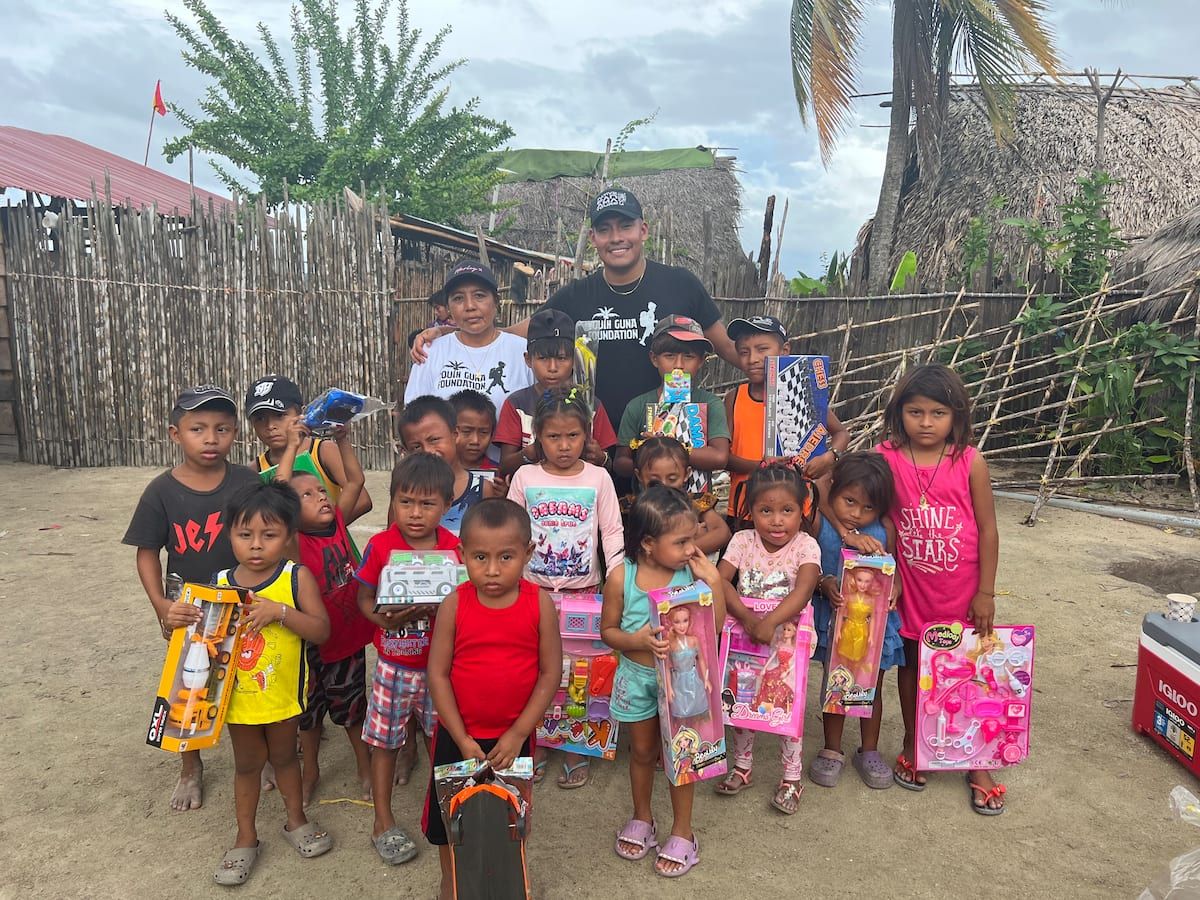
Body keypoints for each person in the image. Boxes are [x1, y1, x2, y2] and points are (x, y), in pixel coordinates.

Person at [412, 189, 740, 439]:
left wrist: (773, 371)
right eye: (605, 229)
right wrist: (445, 333)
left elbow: (726, 347)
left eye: (625, 226)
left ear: (644, 230)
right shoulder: (576, 295)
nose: (616, 238)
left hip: (661, 439)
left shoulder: (680, 284)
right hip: (591, 439)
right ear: (593, 238)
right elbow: (519, 331)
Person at [123, 384, 260, 813]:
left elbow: (271, 532)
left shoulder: (248, 481)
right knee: (190, 685)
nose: (210, 438)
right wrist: (162, 607)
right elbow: (148, 554)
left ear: (235, 433)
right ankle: (190, 765)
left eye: (222, 429)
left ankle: (265, 758)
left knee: (252, 678)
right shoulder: (161, 492)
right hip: (189, 608)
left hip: (245, 600)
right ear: (174, 434)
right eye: (197, 428)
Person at [875, 364, 1002, 813]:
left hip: (962, 593)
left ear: (956, 416)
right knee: (913, 668)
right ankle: (917, 742)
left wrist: (985, 591)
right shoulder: (885, 457)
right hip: (911, 591)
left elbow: (987, 529)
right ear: (899, 413)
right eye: (915, 412)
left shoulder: (969, 460)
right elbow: (869, 509)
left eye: (937, 413)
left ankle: (978, 759)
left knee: (968, 672)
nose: (926, 423)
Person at [424, 499, 562, 900]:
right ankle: (452, 888)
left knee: (509, 822)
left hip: (512, 743)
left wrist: (520, 732)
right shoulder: (455, 604)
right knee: (450, 825)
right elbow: (438, 674)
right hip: (457, 739)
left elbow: (550, 673)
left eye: (506, 557)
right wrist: (462, 738)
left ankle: (505, 887)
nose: (493, 569)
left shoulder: (539, 604)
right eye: (480, 557)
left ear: (528, 553)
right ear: (462, 553)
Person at [601, 485, 731, 878]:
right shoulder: (622, 578)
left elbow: (716, 626)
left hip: (683, 680)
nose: (693, 548)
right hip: (636, 676)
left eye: (694, 538)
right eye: (682, 541)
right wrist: (635, 640)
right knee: (641, 752)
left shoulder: (689, 574)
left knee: (682, 756)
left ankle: (683, 832)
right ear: (648, 543)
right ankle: (643, 817)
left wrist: (714, 584)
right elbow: (608, 631)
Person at [212, 481, 333, 886]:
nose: (256, 545)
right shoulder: (220, 583)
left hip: (283, 697)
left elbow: (320, 630)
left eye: (269, 535)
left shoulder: (295, 578)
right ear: (230, 534)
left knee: (284, 759)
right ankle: (246, 835)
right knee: (246, 765)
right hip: (237, 701)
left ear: (289, 537)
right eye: (245, 535)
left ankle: (295, 820)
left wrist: (281, 611)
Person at [507, 388, 624, 789]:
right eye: (553, 437)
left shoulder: (599, 478)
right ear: (537, 436)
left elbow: (611, 532)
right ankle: (534, 742)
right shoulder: (525, 477)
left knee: (580, 674)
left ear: (586, 434)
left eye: (573, 436)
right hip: (533, 593)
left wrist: (617, 581)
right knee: (534, 671)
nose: (563, 445)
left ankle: (576, 744)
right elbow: (512, 533)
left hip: (584, 594)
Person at [354, 452, 462, 865]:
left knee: (445, 742)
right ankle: (382, 819)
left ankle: (446, 812)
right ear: (393, 500)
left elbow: (466, 603)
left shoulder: (456, 550)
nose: (415, 514)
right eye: (405, 502)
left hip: (442, 671)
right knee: (384, 744)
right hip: (394, 667)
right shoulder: (381, 545)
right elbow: (364, 597)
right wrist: (382, 618)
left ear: (447, 506)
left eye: (427, 504)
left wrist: (444, 610)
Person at [274, 418, 375, 806]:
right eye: (307, 495)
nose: (320, 497)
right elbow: (279, 497)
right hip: (311, 643)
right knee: (309, 715)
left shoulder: (337, 525)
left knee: (352, 710)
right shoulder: (293, 544)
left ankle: (364, 765)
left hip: (347, 639)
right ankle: (311, 769)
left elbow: (354, 483)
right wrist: (290, 450)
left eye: (320, 490)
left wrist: (344, 439)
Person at [713, 463, 821, 815]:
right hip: (745, 638)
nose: (777, 521)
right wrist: (747, 618)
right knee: (742, 703)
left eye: (787, 511)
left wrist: (770, 622)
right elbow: (721, 581)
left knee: (787, 710)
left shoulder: (806, 546)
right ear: (750, 510)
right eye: (766, 511)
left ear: (801, 509)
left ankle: (791, 778)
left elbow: (803, 590)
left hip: (789, 645)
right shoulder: (742, 540)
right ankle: (742, 767)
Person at [809, 451, 904, 791]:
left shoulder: (884, 529)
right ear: (833, 490)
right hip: (835, 622)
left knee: (872, 686)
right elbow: (812, 569)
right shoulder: (821, 524)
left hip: (874, 627)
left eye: (868, 508)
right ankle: (831, 749)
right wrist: (825, 584)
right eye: (849, 501)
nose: (857, 514)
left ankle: (870, 750)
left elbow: (896, 572)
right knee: (835, 682)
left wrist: (896, 590)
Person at [723, 316, 849, 528]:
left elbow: (841, 434)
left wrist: (830, 457)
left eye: (762, 349)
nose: (752, 358)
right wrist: (762, 466)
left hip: (794, 511)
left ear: (784, 351)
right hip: (744, 509)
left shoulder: (799, 394)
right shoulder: (734, 398)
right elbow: (724, 457)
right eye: (744, 352)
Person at [495, 307, 618, 478]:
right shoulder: (517, 404)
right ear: (528, 359)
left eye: (561, 358)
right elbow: (505, 466)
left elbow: (610, 465)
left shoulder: (590, 405)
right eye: (543, 358)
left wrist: (601, 457)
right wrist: (530, 453)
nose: (552, 368)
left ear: (574, 360)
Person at [404, 260, 533, 414]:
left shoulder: (523, 351)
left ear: (496, 301)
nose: (470, 306)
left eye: (479, 295)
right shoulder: (430, 352)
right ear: (449, 307)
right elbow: (414, 415)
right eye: (458, 298)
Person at [614, 315, 730, 482]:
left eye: (688, 356)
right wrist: (647, 452)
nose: (679, 365)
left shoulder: (711, 403)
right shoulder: (638, 405)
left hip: (696, 503)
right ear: (654, 359)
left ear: (701, 361)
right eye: (669, 356)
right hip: (650, 503)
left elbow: (719, 458)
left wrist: (673, 447)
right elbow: (620, 462)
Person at [245, 374, 373, 524]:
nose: (270, 426)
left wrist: (327, 531)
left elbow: (362, 500)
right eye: (259, 419)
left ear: (301, 413)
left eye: (280, 415)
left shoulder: (322, 451)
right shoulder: (254, 470)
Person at [398, 395, 504, 535]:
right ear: (406, 451)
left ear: (455, 435)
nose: (428, 451)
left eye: (434, 440)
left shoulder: (482, 490)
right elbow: (393, 545)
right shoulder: (404, 492)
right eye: (416, 447)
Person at [626, 436, 731, 557]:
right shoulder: (633, 507)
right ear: (639, 476)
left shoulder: (695, 502)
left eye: (672, 479)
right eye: (655, 481)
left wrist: (684, 548)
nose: (664, 486)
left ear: (686, 474)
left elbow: (723, 533)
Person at [448, 389, 500, 471]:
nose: (475, 441)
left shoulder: (498, 474)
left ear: (492, 434)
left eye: (484, 432)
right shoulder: (435, 471)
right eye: (466, 431)